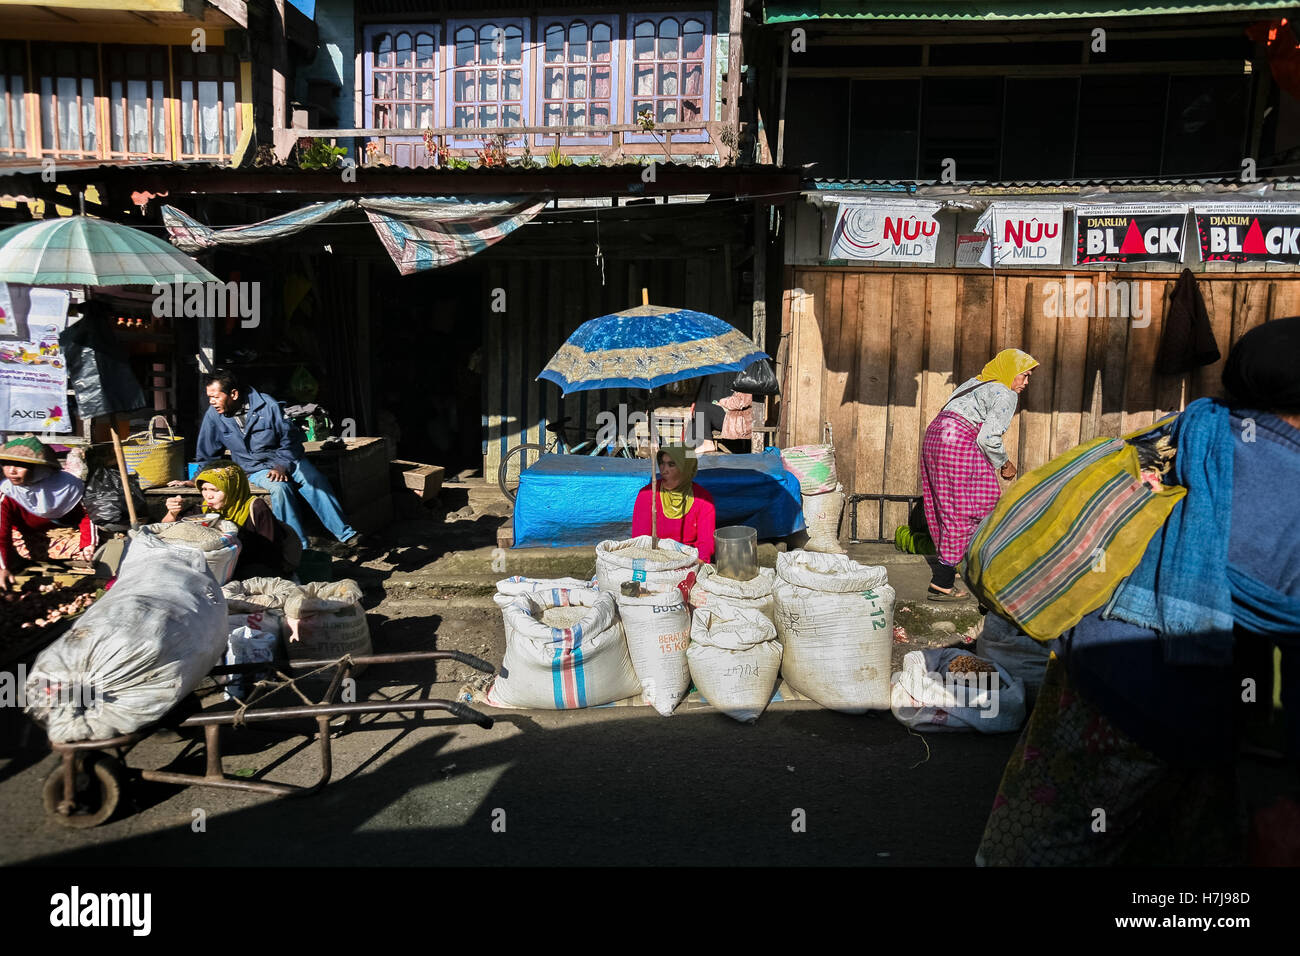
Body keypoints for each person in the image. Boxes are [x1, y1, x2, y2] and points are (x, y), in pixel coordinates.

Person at [976, 316, 1300, 866]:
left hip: (1090, 666)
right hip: (1180, 698)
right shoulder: (1286, 476)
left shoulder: (1193, 424)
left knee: (1049, 835)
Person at [190, 369, 358, 552]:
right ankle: (297, 546)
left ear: (234, 394)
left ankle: (347, 535)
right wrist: (197, 479)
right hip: (255, 468)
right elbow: (207, 455)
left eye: (215, 396)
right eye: (209, 397)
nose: (211, 402)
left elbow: (291, 439)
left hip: (288, 459)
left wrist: (281, 465)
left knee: (314, 480)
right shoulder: (214, 416)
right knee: (280, 488)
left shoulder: (267, 405)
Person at [920, 348, 1038, 601]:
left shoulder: (977, 382)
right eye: (1024, 376)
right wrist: (1005, 464)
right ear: (1009, 372)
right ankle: (942, 581)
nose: (1026, 383)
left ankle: (958, 562)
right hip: (958, 441)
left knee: (947, 505)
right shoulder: (1005, 393)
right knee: (972, 507)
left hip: (936, 437)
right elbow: (988, 438)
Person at [163, 462, 301, 580]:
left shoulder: (256, 507)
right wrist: (172, 512)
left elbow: (270, 552)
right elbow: (167, 529)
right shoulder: (206, 509)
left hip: (256, 566)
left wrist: (235, 540)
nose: (208, 495)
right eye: (204, 489)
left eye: (215, 490)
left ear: (232, 488)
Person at [0, 436, 96, 590]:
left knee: (93, 550)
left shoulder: (68, 486)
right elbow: (1, 533)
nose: (11, 471)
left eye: (20, 465)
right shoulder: (7, 493)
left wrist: (88, 545)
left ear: (38, 468)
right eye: (6, 465)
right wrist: (2, 568)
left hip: (68, 534)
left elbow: (88, 516)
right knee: (17, 549)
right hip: (29, 538)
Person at [631, 446, 717, 563]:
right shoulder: (647, 495)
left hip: (690, 560)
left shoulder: (703, 499)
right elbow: (640, 541)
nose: (664, 470)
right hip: (654, 560)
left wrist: (695, 564)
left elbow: (706, 544)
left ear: (686, 469)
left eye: (671, 464)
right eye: (662, 463)